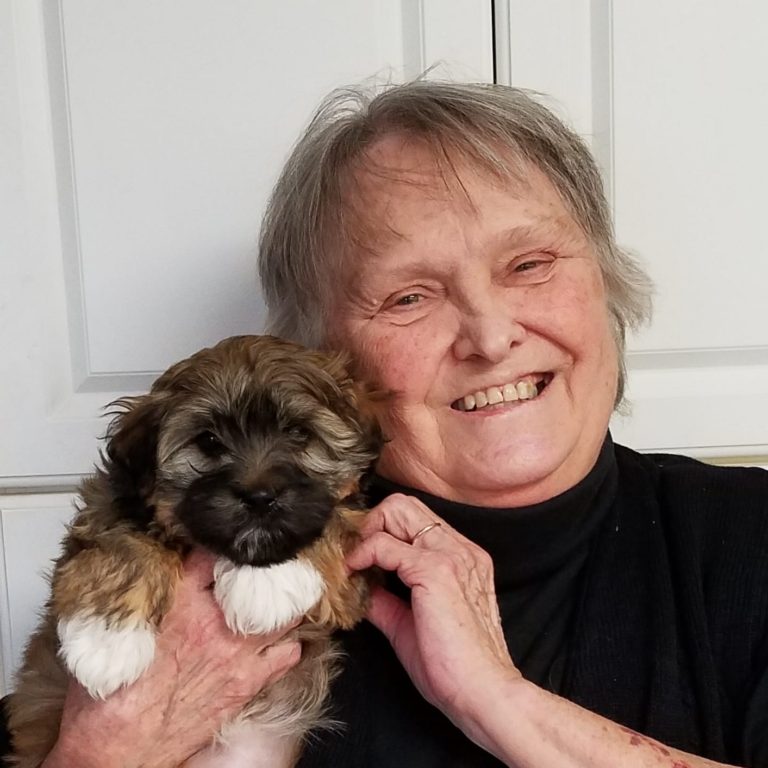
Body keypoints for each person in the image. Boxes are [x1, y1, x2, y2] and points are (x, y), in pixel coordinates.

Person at [2, 80, 767, 767]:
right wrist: (106, 747)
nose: (491, 336)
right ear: (323, 360)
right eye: (409, 297)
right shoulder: (197, 566)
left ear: (606, 281)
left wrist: (497, 701)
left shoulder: (746, 536)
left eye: (530, 264)